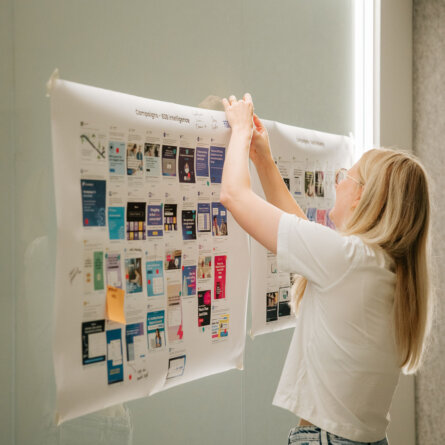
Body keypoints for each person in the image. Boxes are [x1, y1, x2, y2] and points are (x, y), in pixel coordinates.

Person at [220, 93, 434, 445]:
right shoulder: (383, 266)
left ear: (362, 196)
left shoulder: (349, 259)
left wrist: (241, 128)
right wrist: (263, 161)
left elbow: (234, 196)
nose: (337, 184)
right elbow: (301, 230)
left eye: (344, 177)